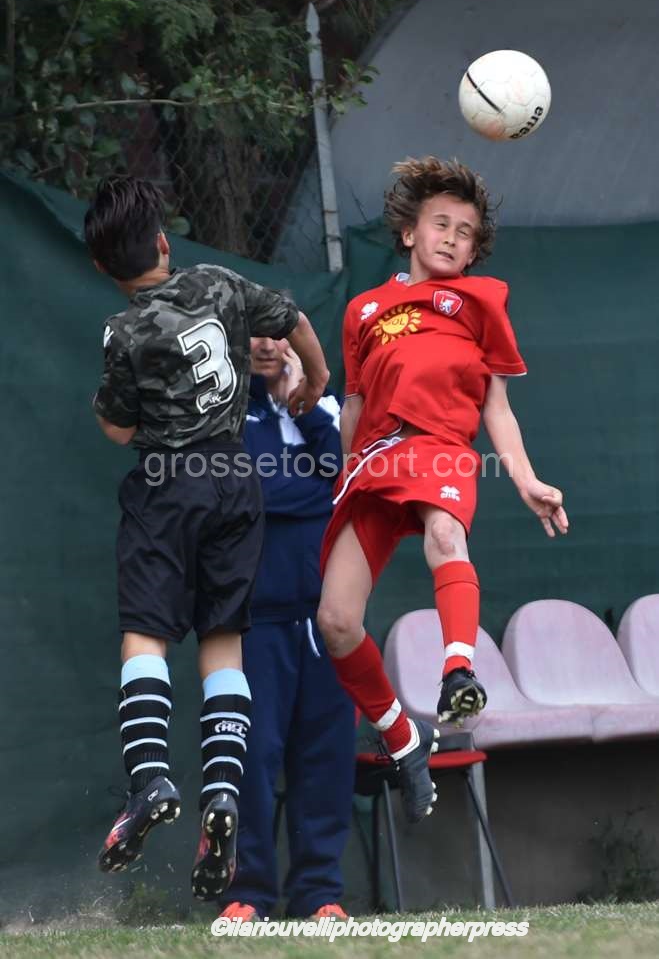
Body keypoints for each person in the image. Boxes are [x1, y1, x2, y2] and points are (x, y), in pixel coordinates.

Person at [85, 175, 329, 901]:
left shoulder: (123, 331)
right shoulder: (220, 283)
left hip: (167, 488)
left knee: (145, 635)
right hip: (235, 483)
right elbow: (292, 320)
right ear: (164, 243)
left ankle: (150, 780)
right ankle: (221, 790)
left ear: (103, 267)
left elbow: (118, 428)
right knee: (223, 641)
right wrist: (315, 377)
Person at [316, 157, 569, 824]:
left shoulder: (482, 302)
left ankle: (458, 672)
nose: (452, 238)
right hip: (374, 461)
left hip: (441, 448)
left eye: (465, 232)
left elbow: (497, 407)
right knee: (335, 621)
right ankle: (402, 738)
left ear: (474, 249)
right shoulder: (363, 310)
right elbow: (353, 403)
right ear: (409, 233)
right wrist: (342, 474)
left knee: (445, 535)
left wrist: (524, 477)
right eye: (441, 224)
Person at [217, 337, 354, 922]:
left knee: (325, 759)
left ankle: (319, 893)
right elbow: (246, 494)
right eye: (254, 335)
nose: (267, 346)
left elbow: (348, 478)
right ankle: (246, 893)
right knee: (250, 756)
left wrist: (305, 401)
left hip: (330, 619)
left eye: (279, 335)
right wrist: (318, 492)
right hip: (255, 618)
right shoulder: (226, 410)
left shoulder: (328, 407)